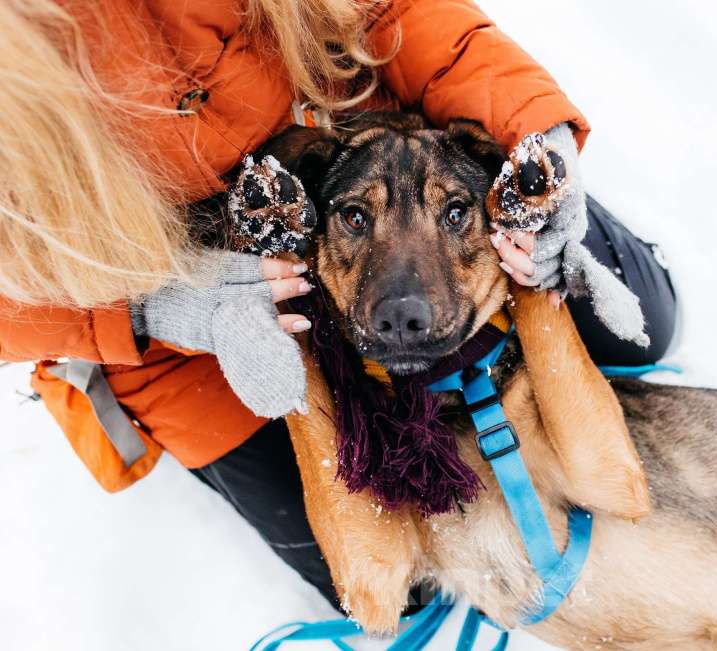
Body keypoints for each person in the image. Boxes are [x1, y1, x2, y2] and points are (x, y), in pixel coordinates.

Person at [0, 0, 676, 611]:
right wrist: (154, 308)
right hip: (165, 310)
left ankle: (517, 226)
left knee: (646, 326)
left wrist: (537, 136)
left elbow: (397, 8)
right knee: (399, 588)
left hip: (376, 158)